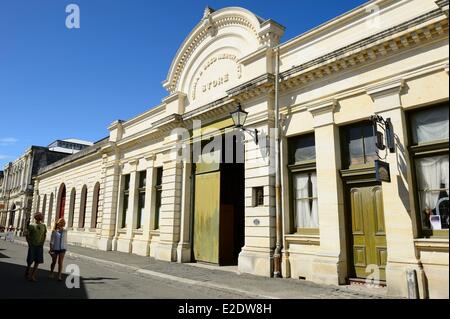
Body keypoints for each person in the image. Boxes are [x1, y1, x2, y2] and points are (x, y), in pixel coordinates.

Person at [25, 212, 47, 282]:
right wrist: (29, 243)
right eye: (40, 215)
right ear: (36, 217)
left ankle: (32, 275)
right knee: (30, 260)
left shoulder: (43, 225)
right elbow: (27, 235)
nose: (42, 216)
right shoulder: (31, 225)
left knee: (37, 261)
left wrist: (43, 242)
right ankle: (28, 269)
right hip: (32, 245)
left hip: (40, 246)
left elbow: (44, 235)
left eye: (42, 215)